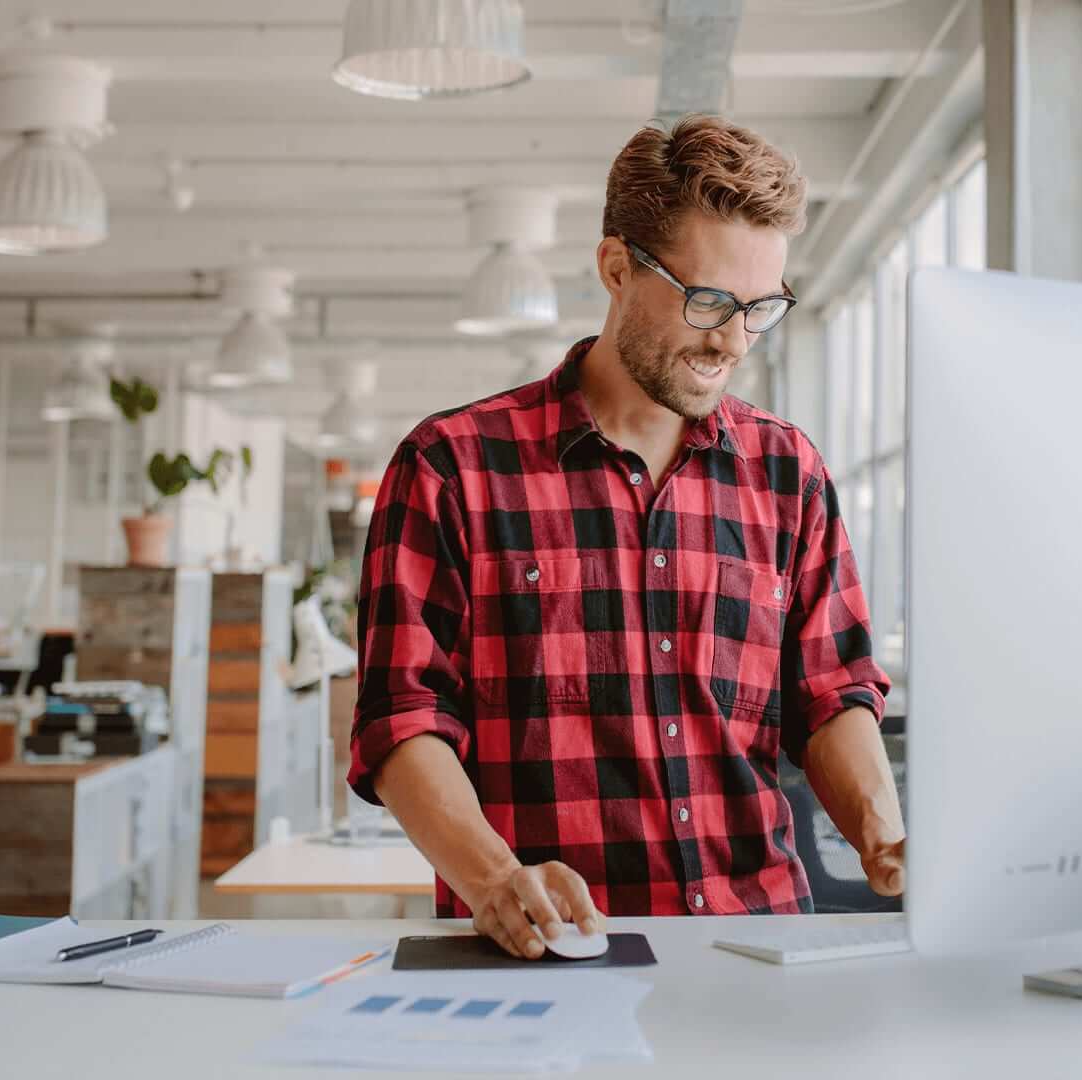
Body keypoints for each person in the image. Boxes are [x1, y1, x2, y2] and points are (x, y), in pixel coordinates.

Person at [349, 114, 903, 959]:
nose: (733, 339)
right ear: (616, 269)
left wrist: (885, 838)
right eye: (710, 300)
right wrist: (497, 878)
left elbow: (831, 692)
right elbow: (403, 719)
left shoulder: (789, 472)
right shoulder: (451, 467)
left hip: (758, 949)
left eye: (763, 308)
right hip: (549, 954)